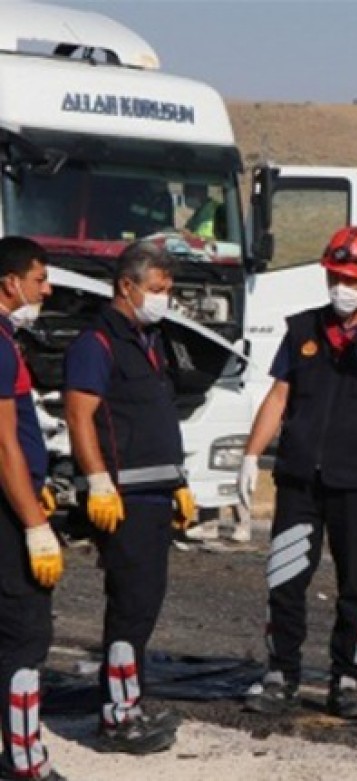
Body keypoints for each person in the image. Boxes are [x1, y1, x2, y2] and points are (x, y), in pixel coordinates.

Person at [239, 226, 357, 719]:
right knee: (287, 577)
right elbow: (279, 395)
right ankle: (281, 674)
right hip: (300, 480)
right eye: (334, 276)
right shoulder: (302, 330)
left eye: (350, 278)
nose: (340, 287)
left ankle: (345, 679)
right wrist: (252, 455)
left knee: (355, 584)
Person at [63, 241, 196, 755]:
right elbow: (80, 416)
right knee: (130, 611)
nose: (165, 299)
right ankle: (117, 718)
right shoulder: (96, 344)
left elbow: (155, 417)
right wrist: (97, 481)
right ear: (127, 286)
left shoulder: (150, 340)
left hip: (155, 496)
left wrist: (179, 482)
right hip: (123, 499)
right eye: (158, 290)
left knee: (145, 607)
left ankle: (130, 703)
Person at [0, 237, 65, 781]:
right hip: (7, 514)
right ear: (11, 283)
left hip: (13, 498)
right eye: (40, 279)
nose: (46, 289)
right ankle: (24, 761)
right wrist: (34, 523)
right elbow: (3, 444)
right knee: (25, 634)